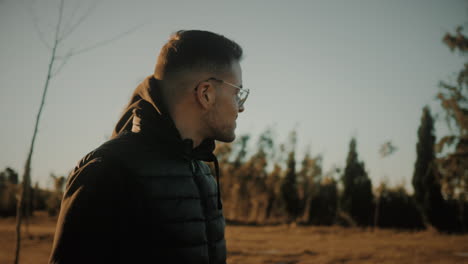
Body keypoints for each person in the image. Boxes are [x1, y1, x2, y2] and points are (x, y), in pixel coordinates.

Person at [49, 30, 248, 264]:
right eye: (238, 94)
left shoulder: (202, 173)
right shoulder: (107, 172)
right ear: (206, 94)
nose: (241, 107)